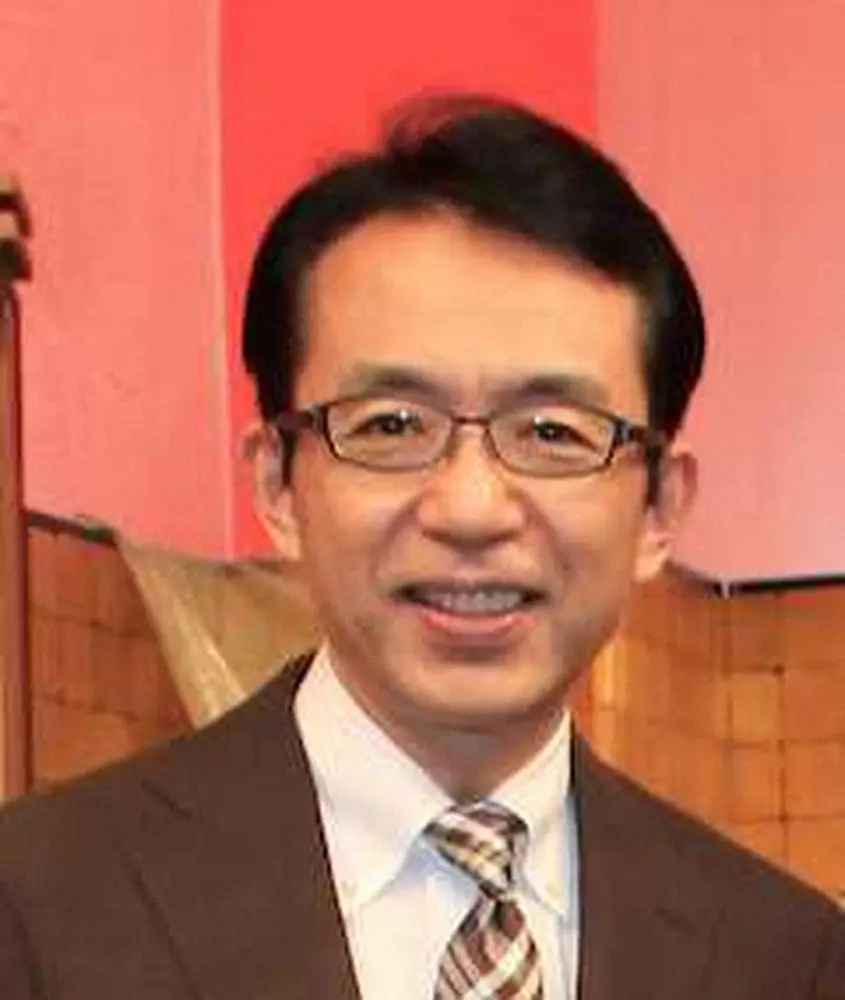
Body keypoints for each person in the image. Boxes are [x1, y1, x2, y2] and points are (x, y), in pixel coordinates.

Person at [0, 94, 842, 1000]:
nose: (471, 509)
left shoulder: (785, 958)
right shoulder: (37, 906)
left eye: (552, 432)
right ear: (278, 482)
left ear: (658, 507)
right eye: (393, 424)